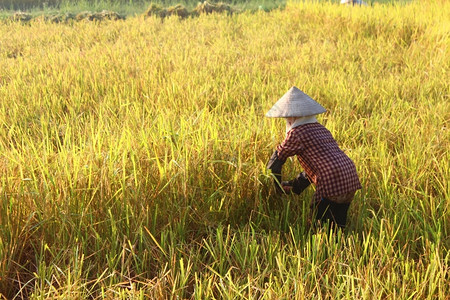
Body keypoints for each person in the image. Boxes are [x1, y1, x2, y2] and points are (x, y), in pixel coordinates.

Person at [266, 86, 362, 229]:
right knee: (338, 223)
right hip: (349, 175)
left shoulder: (296, 133)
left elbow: (275, 162)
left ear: (292, 117)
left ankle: (324, 246)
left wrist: (278, 188)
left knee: (319, 222)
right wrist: (294, 185)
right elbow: (318, 166)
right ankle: (340, 246)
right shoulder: (320, 128)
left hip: (331, 180)